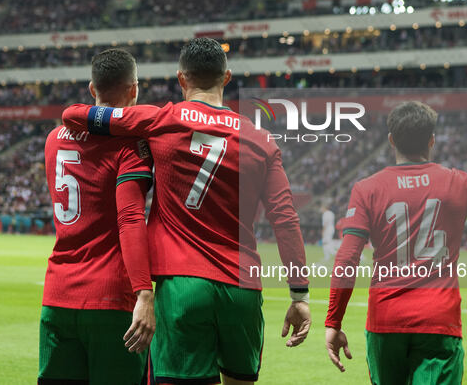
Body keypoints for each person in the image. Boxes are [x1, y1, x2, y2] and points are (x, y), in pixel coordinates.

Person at [62, 37, 311, 385]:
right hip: (242, 288)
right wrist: (299, 294)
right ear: (226, 79)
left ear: (181, 79)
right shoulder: (262, 140)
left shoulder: (161, 119)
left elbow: (75, 115)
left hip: (181, 285)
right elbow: (285, 220)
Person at [324, 101, 467, 384]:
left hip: (385, 321)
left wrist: (333, 322)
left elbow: (347, 258)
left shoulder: (366, 189)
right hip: (438, 322)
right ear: (432, 140)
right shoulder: (459, 183)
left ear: (391, 140)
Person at [39, 49, 155, 385]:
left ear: (93, 88)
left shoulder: (52, 140)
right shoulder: (129, 146)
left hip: (57, 295)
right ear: (134, 89)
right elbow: (131, 218)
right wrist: (144, 292)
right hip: (111, 297)